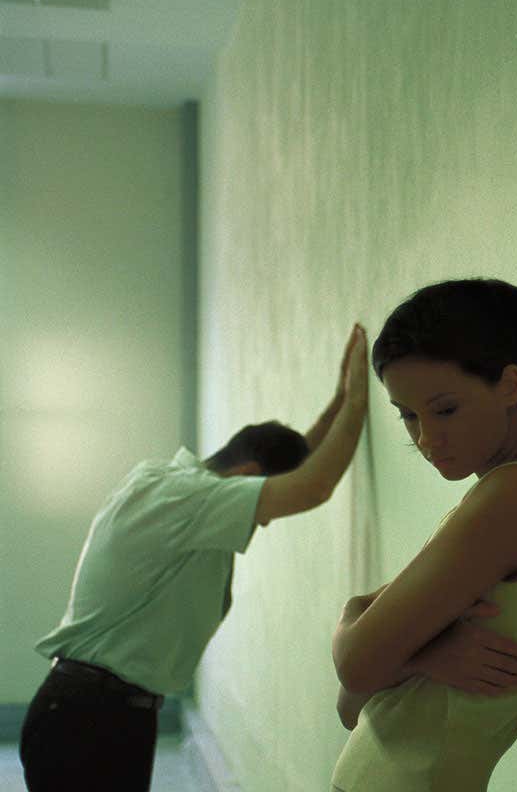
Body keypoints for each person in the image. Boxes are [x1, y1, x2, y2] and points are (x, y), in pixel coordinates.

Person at [19, 324, 372, 792]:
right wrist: (358, 403)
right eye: (262, 505)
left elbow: (299, 463)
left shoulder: (173, 489)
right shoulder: (190, 498)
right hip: (87, 721)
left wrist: (336, 398)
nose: (262, 521)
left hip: (102, 714)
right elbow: (312, 487)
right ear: (245, 474)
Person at [330, 279, 517, 792]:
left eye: (445, 409)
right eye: (408, 415)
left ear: (510, 386)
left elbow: (355, 666)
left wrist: (387, 653)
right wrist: (424, 653)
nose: (426, 438)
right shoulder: (500, 495)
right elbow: (351, 700)